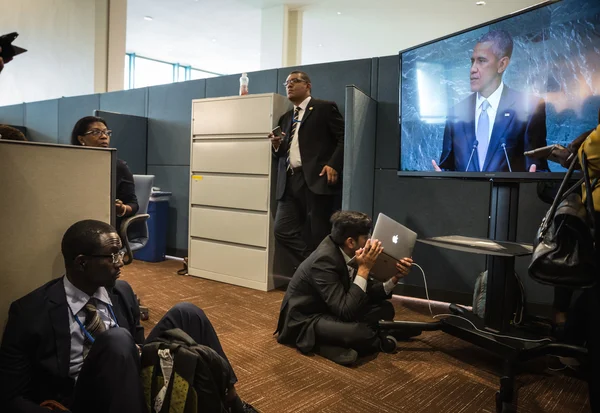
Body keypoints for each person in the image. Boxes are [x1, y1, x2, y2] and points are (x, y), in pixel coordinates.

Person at [0, 219, 255, 413]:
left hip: (133, 375)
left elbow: (139, 344)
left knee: (188, 313)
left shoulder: (121, 291)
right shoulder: (30, 311)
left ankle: (234, 403)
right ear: (81, 263)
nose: (121, 262)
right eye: (112, 256)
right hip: (83, 395)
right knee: (117, 339)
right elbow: (11, 396)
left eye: (120, 253)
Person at [274, 211, 413, 366]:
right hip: (306, 318)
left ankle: (352, 341)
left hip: (333, 307)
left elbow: (363, 292)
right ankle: (376, 336)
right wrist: (364, 269)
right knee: (359, 333)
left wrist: (394, 279)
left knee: (386, 309)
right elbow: (345, 311)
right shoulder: (324, 260)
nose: (370, 242)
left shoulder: (348, 251)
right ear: (350, 242)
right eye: (366, 237)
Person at [432, 30, 548, 173]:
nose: (473, 69)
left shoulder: (530, 107)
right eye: (472, 61)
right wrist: (441, 177)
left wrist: (535, 181)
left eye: (481, 61)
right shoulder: (456, 112)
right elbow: (447, 167)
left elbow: (539, 171)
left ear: (502, 64)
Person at [268, 71, 344, 270]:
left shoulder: (324, 108)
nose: (289, 85)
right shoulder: (285, 118)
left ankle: (321, 275)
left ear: (308, 85)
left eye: (294, 81)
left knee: (320, 233)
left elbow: (344, 138)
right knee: (282, 230)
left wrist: (334, 164)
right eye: (287, 82)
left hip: (316, 179)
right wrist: (276, 145)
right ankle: (315, 268)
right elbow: (282, 153)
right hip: (290, 181)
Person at [71, 116, 138, 231]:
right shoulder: (70, 165)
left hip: (106, 226)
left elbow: (133, 204)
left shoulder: (118, 166)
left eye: (106, 132)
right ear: (81, 139)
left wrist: (121, 209)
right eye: (96, 132)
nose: (104, 136)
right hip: (74, 219)